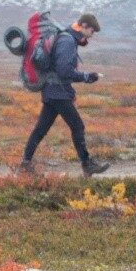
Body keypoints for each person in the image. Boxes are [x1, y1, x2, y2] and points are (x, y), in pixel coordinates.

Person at [20, 13, 111, 177]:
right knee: (77, 126)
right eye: (92, 31)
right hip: (58, 93)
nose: (92, 35)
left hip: (52, 91)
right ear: (84, 26)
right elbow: (64, 71)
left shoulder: (66, 38)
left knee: (40, 129)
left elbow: (61, 70)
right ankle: (87, 164)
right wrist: (87, 77)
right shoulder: (68, 41)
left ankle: (25, 164)